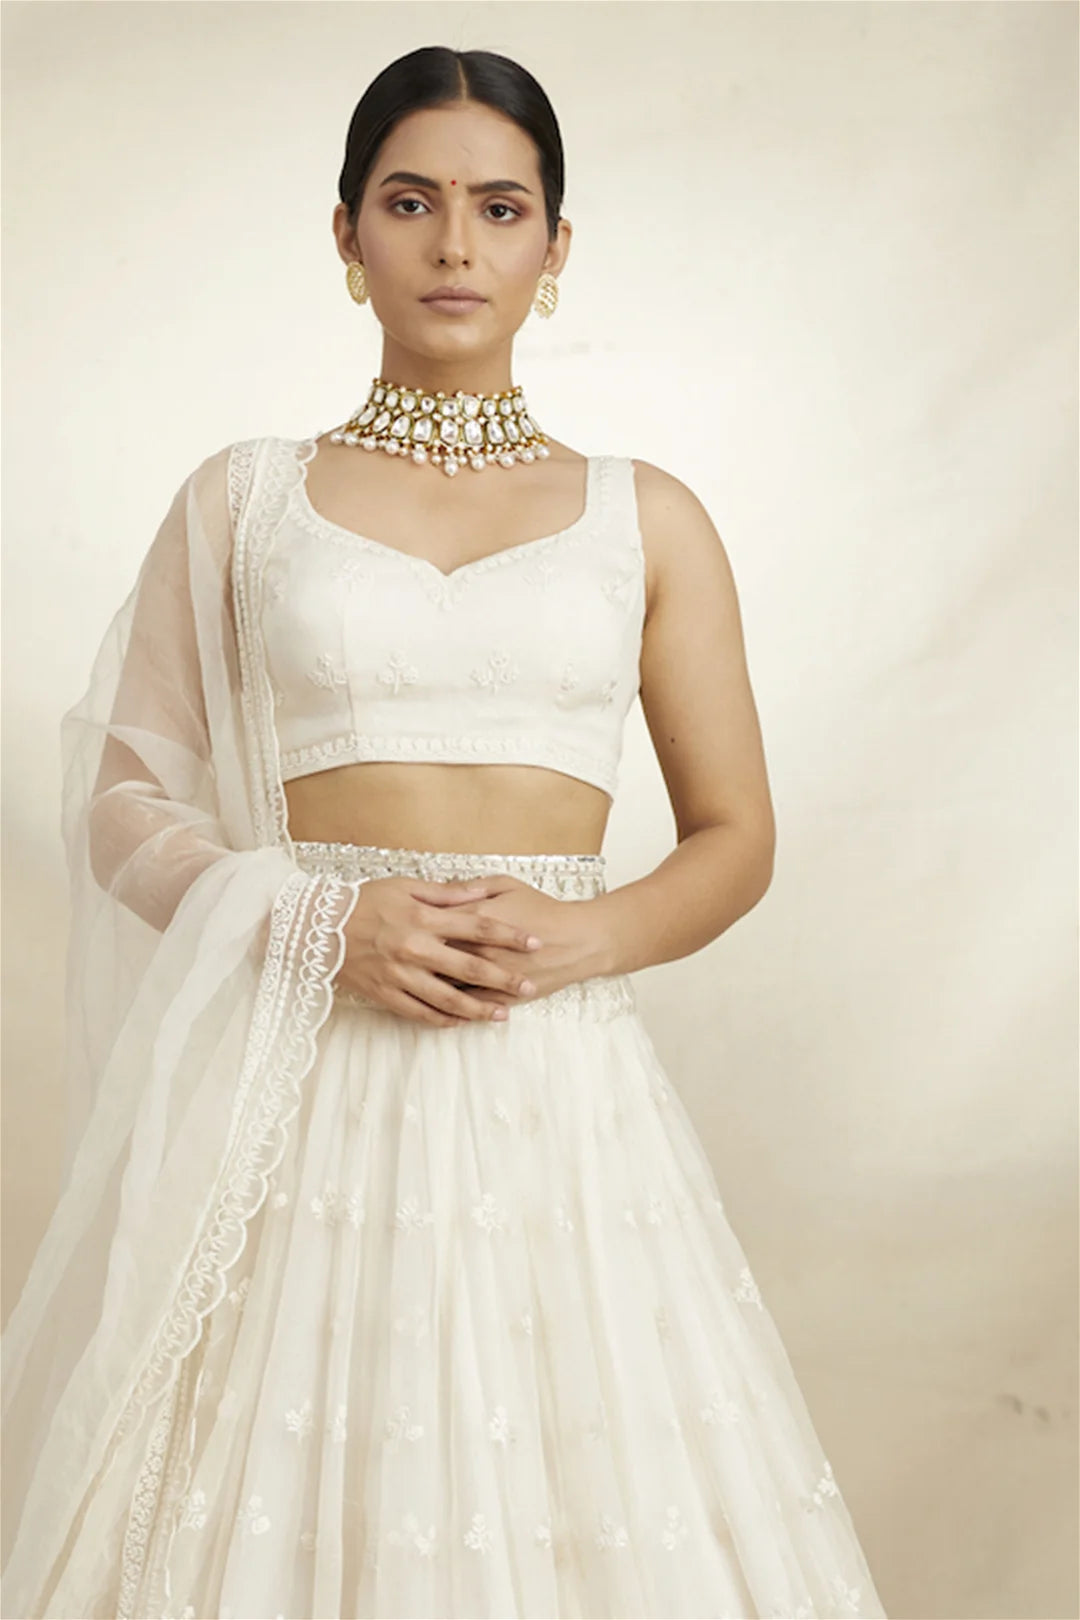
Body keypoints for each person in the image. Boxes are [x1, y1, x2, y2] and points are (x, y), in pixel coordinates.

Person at [1, 43, 887, 1620]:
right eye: (411, 203)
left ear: (556, 247)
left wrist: (585, 936)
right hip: (300, 1075)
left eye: (501, 207)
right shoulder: (245, 500)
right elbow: (124, 797)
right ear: (347, 235)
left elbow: (735, 834)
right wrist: (315, 923)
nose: (456, 244)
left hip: (560, 1094)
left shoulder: (645, 516)